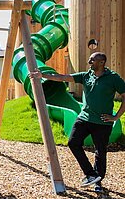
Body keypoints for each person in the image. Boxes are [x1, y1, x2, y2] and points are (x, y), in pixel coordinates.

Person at [30, 52, 125, 192]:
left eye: (92, 60)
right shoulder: (86, 76)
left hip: (103, 122)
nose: (89, 61)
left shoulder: (113, 78)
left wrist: (116, 117)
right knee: (73, 143)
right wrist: (42, 76)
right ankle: (91, 174)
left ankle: (98, 182)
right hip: (84, 118)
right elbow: (63, 77)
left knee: (100, 151)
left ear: (101, 62)